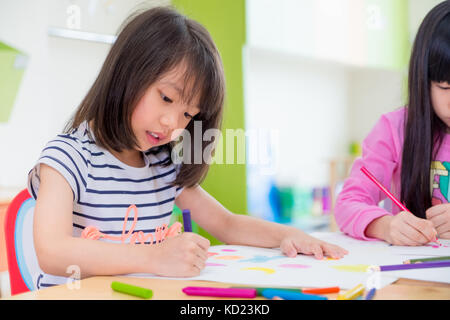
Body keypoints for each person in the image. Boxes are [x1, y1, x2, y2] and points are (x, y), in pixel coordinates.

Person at [29, 6, 347, 288]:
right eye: (166, 98)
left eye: (187, 114)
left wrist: (287, 236)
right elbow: (52, 252)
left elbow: (227, 223)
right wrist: (153, 257)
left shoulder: (161, 165)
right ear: (126, 73)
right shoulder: (68, 157)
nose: (172, 123)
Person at [334, 1, 450, 245]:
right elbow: (349, 202)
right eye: (445, 87)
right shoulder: (395, 129)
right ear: (423, 80)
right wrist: (385, 226)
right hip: (412, 274)